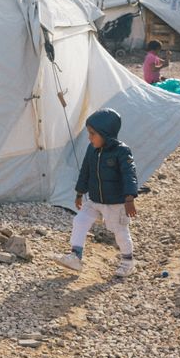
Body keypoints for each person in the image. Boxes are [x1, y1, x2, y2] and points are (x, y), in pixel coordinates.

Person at [53, 109, 138, 277]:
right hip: (95, 200)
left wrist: (129, 198)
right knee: (80, 220)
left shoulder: (122, 152)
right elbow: (85, 171)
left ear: (106, 134)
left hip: (116, 202)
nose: (89, 138)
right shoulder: (91, 150)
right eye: (88, 133)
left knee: (119, 230)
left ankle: (128, 261)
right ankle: (75, 256)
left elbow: (130, 174)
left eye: (93, 134)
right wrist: (79, 193)